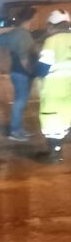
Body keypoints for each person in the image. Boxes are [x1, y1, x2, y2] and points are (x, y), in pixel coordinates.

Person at [35, 9, 71, 162]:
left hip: (53, 87)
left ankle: (55, 154)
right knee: (66, 116)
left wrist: (36, 73)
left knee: (52, 120)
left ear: (51, 25)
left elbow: (44, 67)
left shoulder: (52, 41)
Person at [3, 7, 38, 141]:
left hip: (17, 71)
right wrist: (31, 72)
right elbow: (24, 57)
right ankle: (15, 131)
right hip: (22, 72)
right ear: (30, 18)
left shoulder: (18, 32)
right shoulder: (22, 34)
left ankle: (18, 129)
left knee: (20, 102)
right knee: (20, 102)